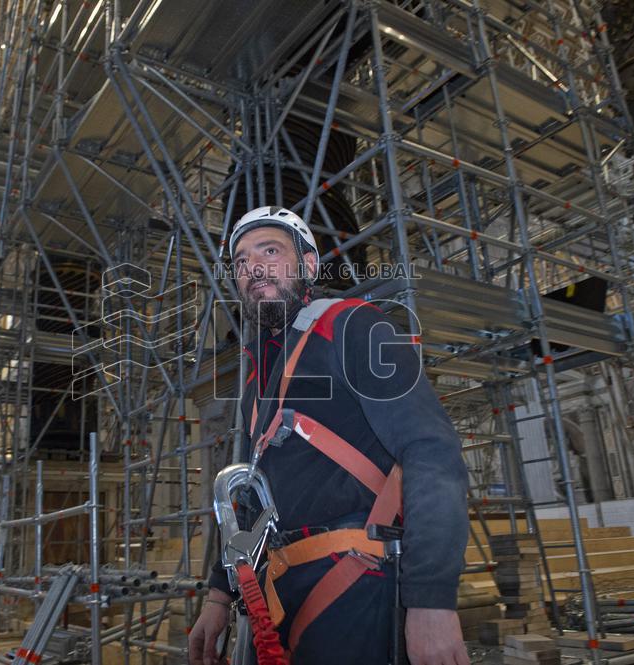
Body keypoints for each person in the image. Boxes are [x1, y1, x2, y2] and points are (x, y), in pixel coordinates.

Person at [189, 207, 471, 665]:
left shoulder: (356, 327)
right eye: (240, 262)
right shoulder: (259, 380)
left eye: (270, 251)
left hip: (358, 589)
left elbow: (432, 454)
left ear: (309, 266)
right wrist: (219, 597)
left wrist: (432, 601)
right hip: (283, 591)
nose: (252, 268)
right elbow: (245, 499)